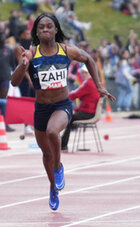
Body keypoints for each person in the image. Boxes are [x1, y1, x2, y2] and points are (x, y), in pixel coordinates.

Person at [11, 13, 115, 211]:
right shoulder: (32, 53)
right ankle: (53, 187)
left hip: (62, 105)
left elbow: (89, 60)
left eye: (49, 26)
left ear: (56, 29)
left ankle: (59, 167)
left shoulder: (67, 50)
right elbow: (14, 81)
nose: (45, 30)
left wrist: (98, 85)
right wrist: (23, 63)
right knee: (46, 153)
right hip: (41, 108)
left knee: (52, 132)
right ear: (36, 32)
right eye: (41, 27)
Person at [61, 64, 100, 152]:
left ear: (88, 73)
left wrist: (62, 97)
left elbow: (75, 94)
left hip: (88, 112)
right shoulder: (95, 82)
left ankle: (63, 144)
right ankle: (62, 143)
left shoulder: (89, 83)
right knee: (71, 117)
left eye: (83, 73)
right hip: (91, 111)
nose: (82, 75)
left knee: (70, 118)